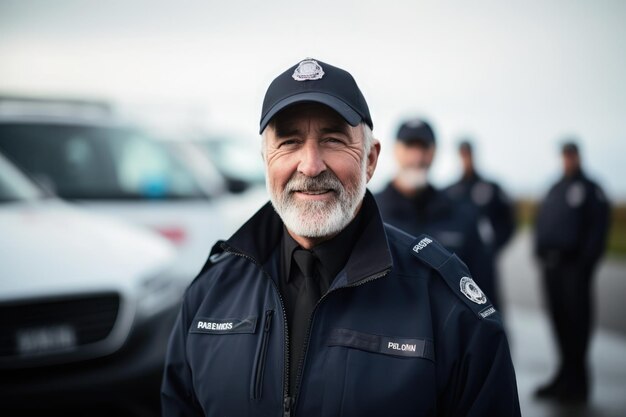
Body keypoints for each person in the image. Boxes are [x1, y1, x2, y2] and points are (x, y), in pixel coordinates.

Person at [161, 58, 520, 416]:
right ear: (265, 159)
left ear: (370, 160)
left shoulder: (441, 301)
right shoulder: (210, 293)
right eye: (289, 142)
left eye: (333, 139)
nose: (311, 165)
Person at [375, 120, 491, 301]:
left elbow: (484, 287)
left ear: (434, 152)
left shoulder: (461, 215)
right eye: (409, 147)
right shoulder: (370, 212)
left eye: (424, 148)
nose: (417, 157)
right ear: (395, 150)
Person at [534, 141, 611, 403]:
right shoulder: (555, 187)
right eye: (564, 155)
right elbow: (541, 221)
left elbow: (598, 229)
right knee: (559, 323)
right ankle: (563, 377)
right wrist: (540, 251)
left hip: (574, 269)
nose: (567, 160)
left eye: (571, 155)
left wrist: (584, 265)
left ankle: (578, 383)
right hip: (552, 267)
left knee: (577, 325)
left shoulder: (590, 189)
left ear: (578, 156)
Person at [444, 140, 516, 309]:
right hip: (458, 262)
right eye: (462, 155)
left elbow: (509, 219)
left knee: (489, 305)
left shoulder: (490, 188)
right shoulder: (451, 191)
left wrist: (493, 245)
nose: (465, 159)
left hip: (484, 262)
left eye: (468, 154)